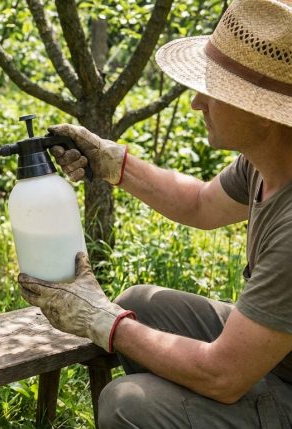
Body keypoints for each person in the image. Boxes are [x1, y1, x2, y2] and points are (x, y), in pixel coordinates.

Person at [17, 0, 292, 427]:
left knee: (128, 403)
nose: (197, 102)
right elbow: (200, 203)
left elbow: (224, 375)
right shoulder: (269, 160)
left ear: (266, 113)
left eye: (215, 91)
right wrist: (113, 162)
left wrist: (102, 321)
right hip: (277, 355)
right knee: (138, 305)